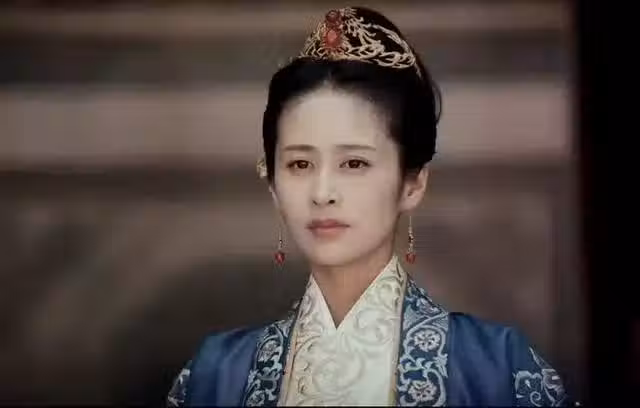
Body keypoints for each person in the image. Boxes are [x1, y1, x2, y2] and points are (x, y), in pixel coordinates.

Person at [167, 6, 575, 406]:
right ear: (273, 184)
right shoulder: (215, 376)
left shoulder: (497, 369)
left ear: (411, 184)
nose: (322, 192)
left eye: (354, 163)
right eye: (300, 164)